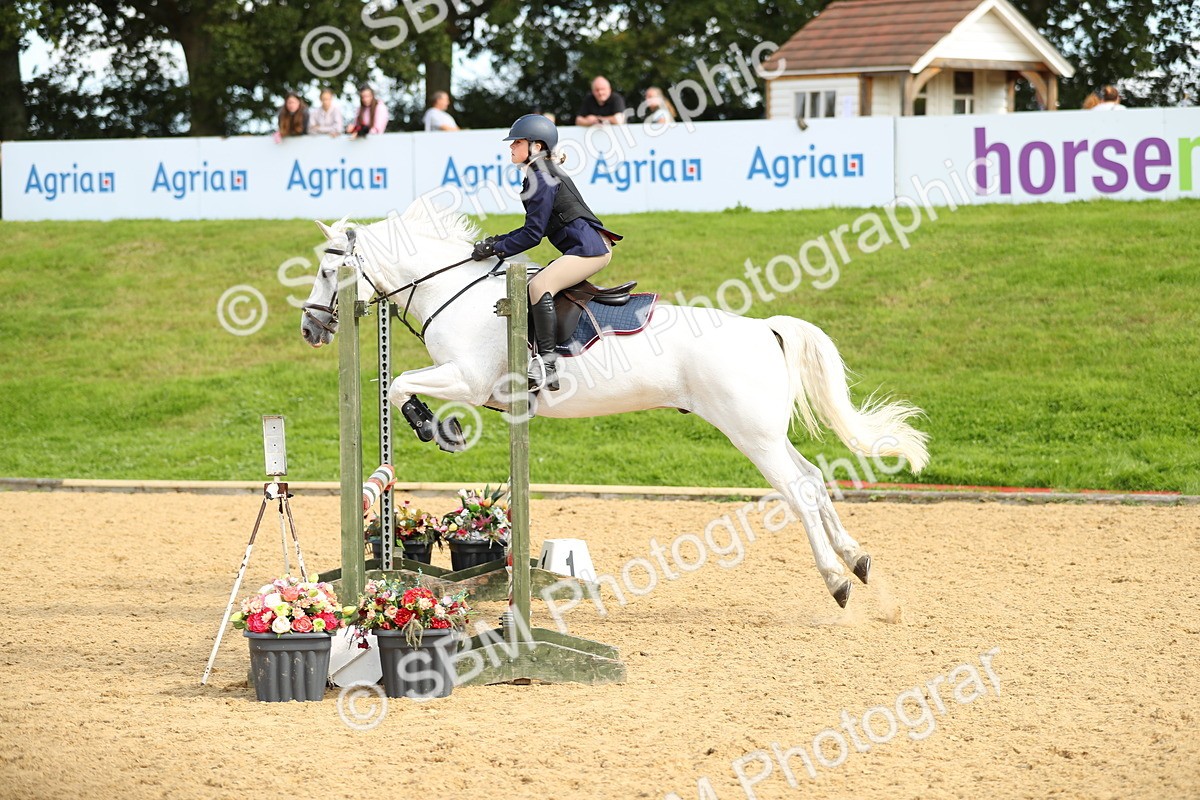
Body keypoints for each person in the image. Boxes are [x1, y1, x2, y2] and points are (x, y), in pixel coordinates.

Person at [469, 114, 623, 392]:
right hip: (585, 247)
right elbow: (531, 229)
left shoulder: (541, 176)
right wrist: (496, 242)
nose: (511, 147)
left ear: (536, 146)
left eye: (517, 142)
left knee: (540, 285)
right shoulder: (541, 172)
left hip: (589, 250)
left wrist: (495, 248)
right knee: (538, 279)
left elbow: (532, 235)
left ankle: (547, 364)